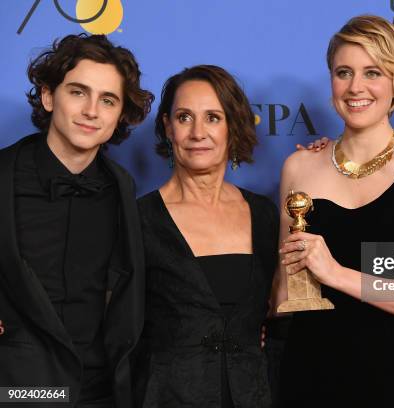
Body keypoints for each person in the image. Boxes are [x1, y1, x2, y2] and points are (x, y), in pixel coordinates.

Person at [275, 15, 394, 407]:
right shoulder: (299, 168)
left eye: (372, 72)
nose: (356, 87)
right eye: (344, 72)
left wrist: (336, 274)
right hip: (310, 376)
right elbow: (283, 291)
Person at [0, 34, 153, 407]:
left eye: (107, 100)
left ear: (120, 114)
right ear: (49, 96)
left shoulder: (122, 188)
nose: (91, 111)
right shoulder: (3, 175)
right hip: (20, 390)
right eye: (78, 92)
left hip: (102, 391)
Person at [135, 65, 278, 407]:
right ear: (168, 127)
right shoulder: (138, 219)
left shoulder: (264, 213)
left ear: (233, 125)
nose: (198, 132)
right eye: (184, 117)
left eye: (213, 117)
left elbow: (280, 311)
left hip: (254, 395)